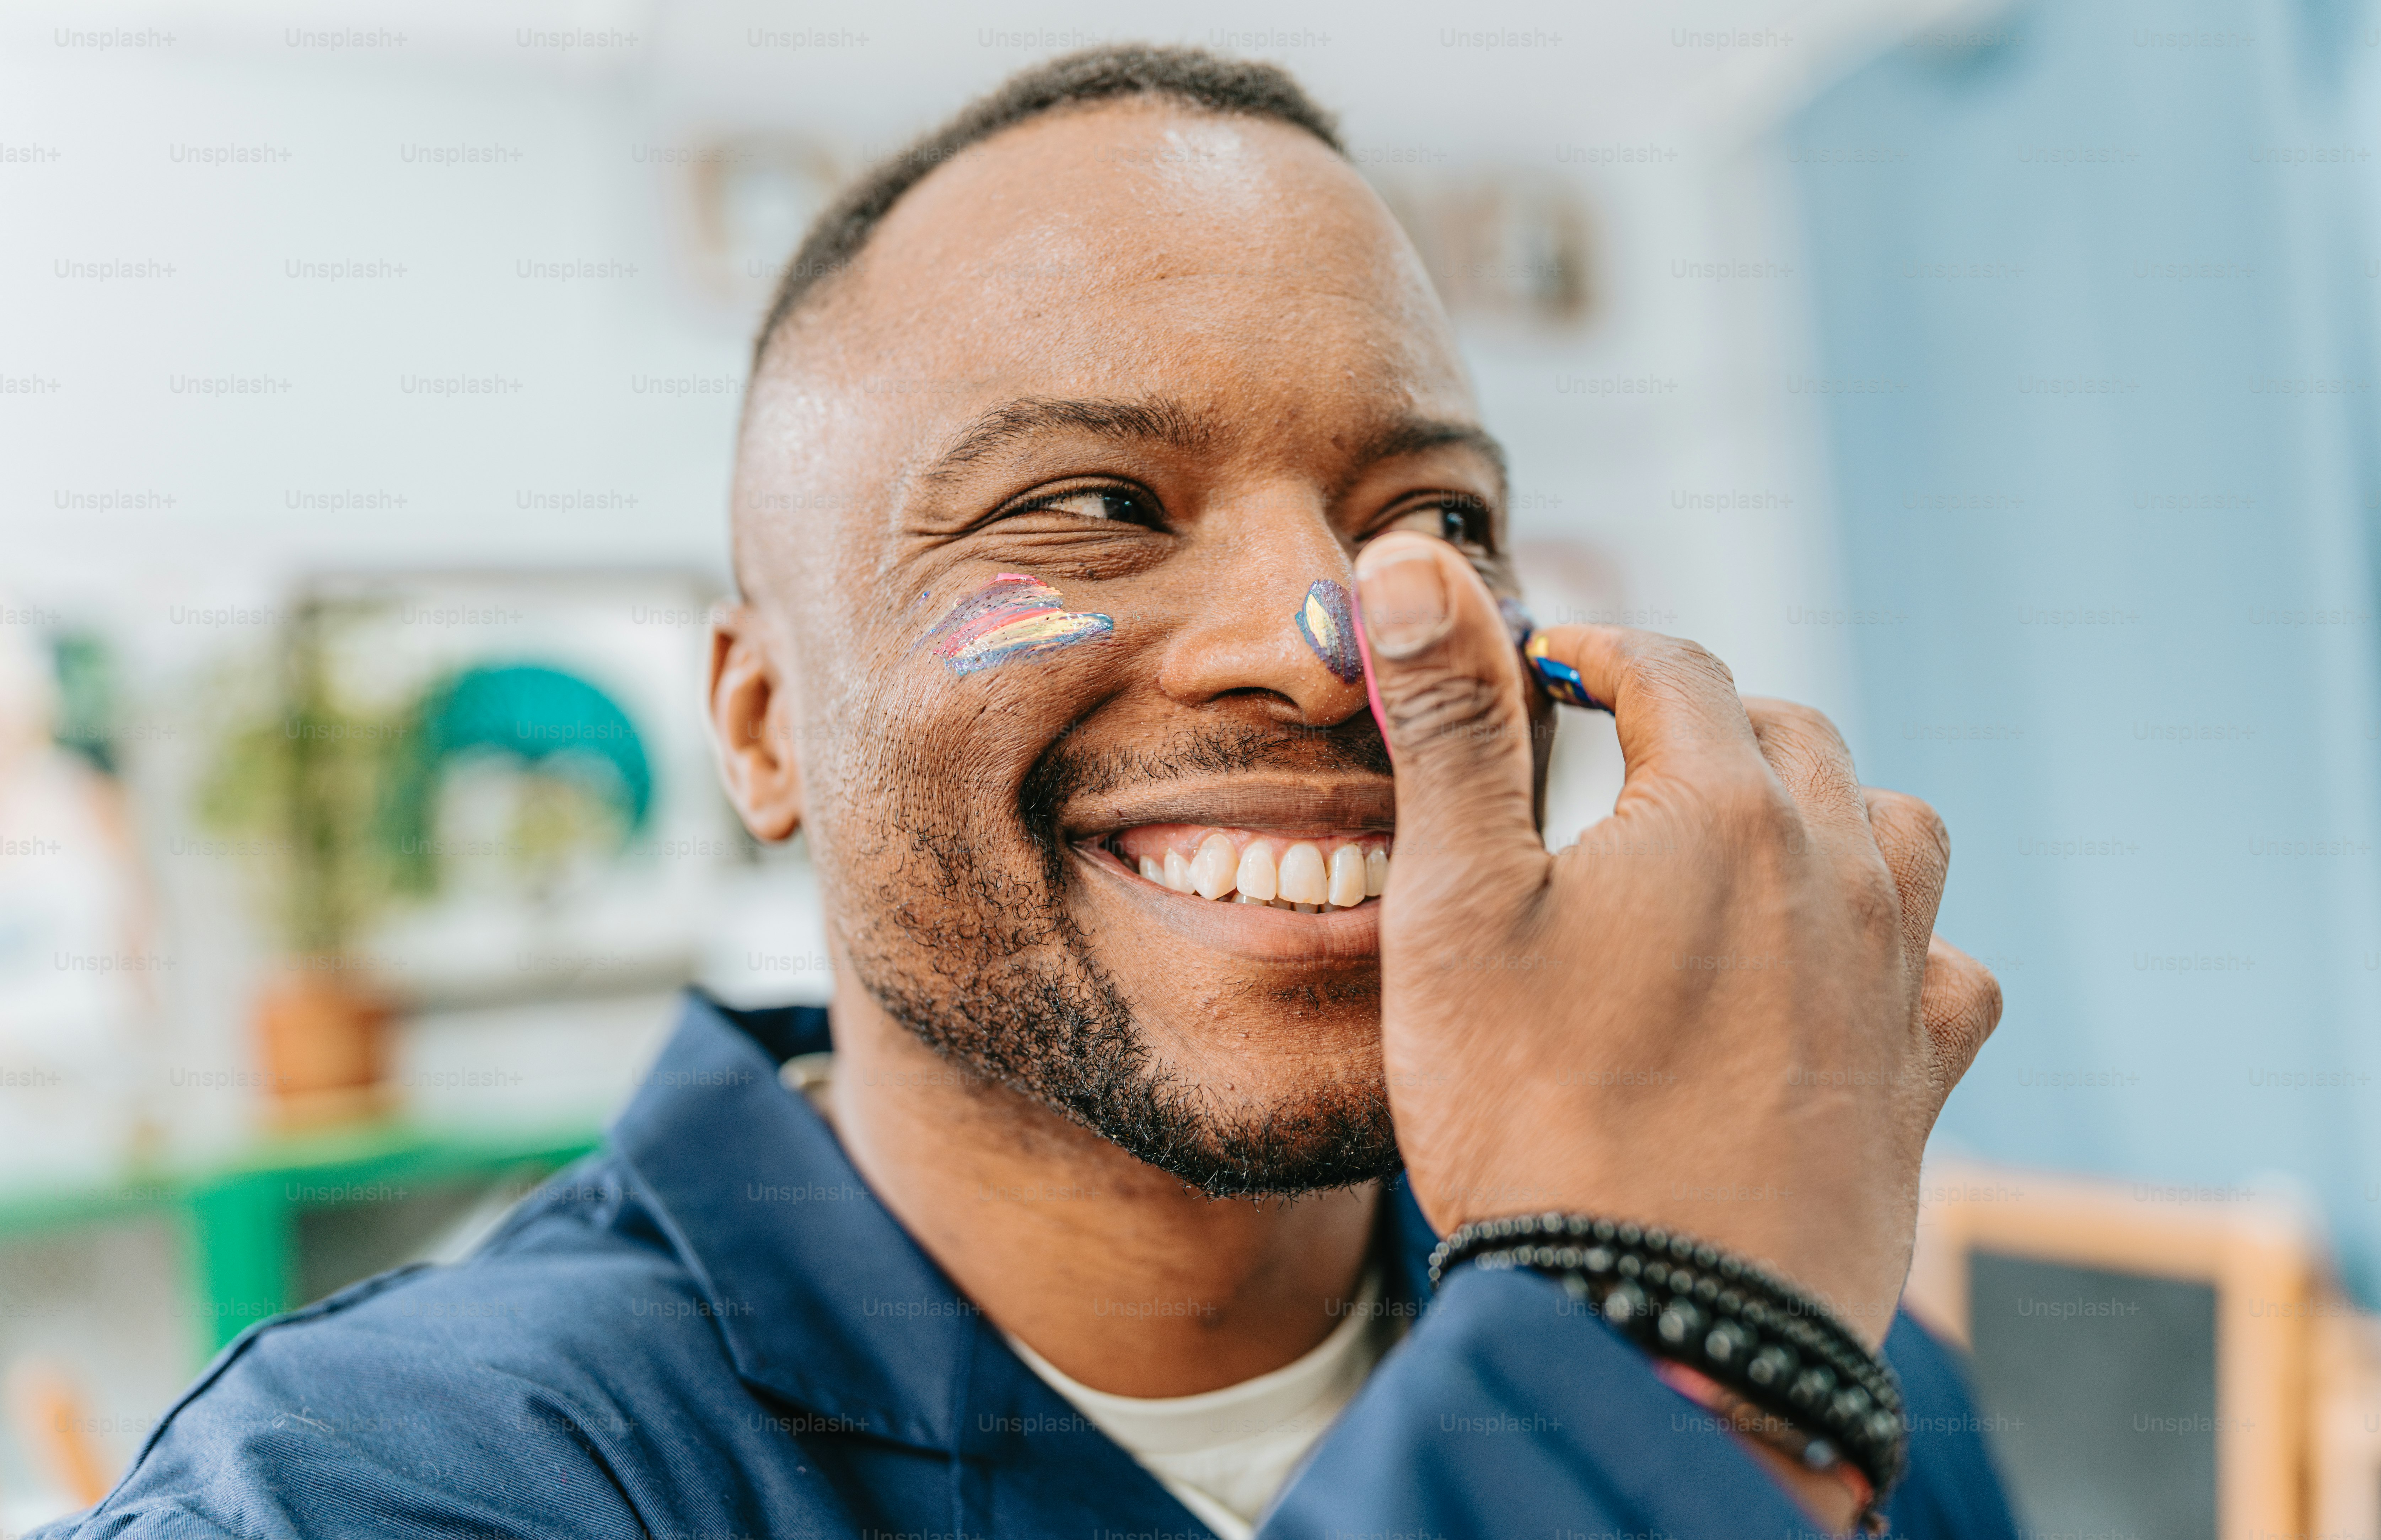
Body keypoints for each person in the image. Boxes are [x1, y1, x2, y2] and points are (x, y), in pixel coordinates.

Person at [46, 46, 2015, 1539]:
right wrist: (1650, 1379)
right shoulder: (388, 1487)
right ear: (758, 723)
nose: (1327, 634)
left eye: (1431, 516)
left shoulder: (1827, 1364)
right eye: (1091, 506)